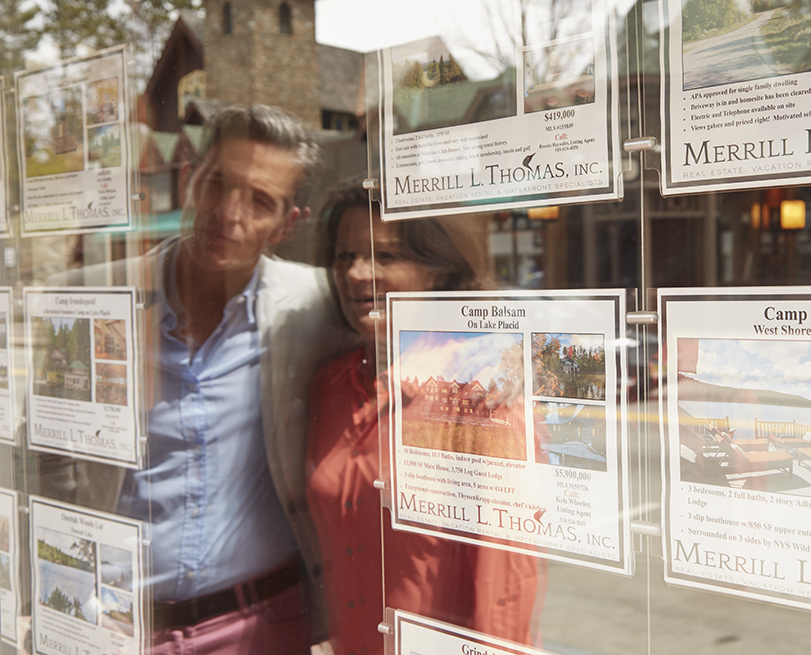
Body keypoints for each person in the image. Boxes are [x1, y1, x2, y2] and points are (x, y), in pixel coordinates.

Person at [49, 105, 358, 654]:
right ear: (192, 180)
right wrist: (56, 585)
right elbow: (44, 453)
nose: (228, 212)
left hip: (262, 625)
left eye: (260, 201)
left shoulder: (317, 306)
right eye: (218, 183)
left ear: (288, 223)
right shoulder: (100, 301)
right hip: (118, 625)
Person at [306, 179, 543, 655]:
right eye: (344, 255)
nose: (356, 272)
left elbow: (504, 583)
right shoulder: (328, 387)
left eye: (385, 256)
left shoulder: (481, 394)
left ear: (438, 271)